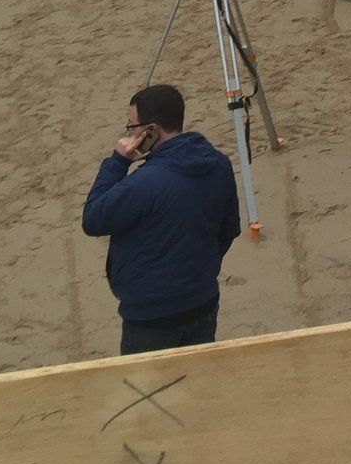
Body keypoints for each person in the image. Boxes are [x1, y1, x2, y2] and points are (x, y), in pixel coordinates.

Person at [83, 84, 241, 355]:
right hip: (202, 300)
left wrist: (118, 161)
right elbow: (229, 229)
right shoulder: (219, 163)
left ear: (151, 130)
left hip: (150, 317)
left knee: (149, 393)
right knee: (197, 385)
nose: (129, 133)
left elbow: (94, 218)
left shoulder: (144, 183)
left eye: (132, 126)